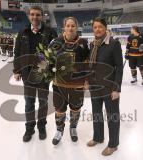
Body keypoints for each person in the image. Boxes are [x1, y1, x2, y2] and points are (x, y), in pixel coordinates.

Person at [13, 6, 57, 142]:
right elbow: (17, 52)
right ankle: (29, 127)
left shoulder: (50, 32)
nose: (35, 17)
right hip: (27, 74)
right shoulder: (23, 32)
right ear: (29, 16)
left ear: (42, 16)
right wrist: (17, 70)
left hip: (43, 75)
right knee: (29, 103)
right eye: (32, 14)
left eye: (38, 15)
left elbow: (56, 53)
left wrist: (53, 71)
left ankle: (42, 126)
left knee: (43, 102)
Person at [86, 17, 123, 156]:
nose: (97, 29)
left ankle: (113, 144)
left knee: (112, 115)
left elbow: (119, 67)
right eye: (95, 27)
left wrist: (116, 88)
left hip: (109, 87)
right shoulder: (93, 44)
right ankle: (98, 137)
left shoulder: (113, 44)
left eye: (100, 27)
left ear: (105, 28)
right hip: (95, 86)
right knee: (96, 113)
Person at [50, 17, 89, 145]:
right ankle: (59, 130)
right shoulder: (56, 42)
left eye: (73, 26)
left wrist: (87, 80)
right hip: (59, 84)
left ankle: (73, 128)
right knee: (60, 108)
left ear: (76, 28)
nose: (70, 28)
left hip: (77, 84)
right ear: (64, 27)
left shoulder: (83, 43)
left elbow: (89, 63)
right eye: (68, 26)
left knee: (76, 108)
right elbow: (46, 58)